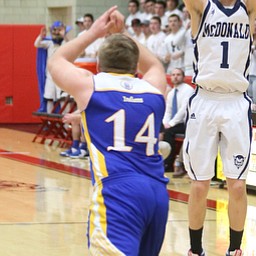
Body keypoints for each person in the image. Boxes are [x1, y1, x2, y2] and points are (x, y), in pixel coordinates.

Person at [48, 6, 169, 255]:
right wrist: (123, 32)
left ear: (99, 63)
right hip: (156, 193)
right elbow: (155, 64)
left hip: (118, 193)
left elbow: (56, 60)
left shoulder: (90, 86)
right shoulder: (155, 89)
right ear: (135, 65)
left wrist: (94, 32)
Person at [182, 0, 256, 256]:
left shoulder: (248, 9)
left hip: (236, 102)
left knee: (237, 185)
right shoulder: (200, 7)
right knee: (199, 185)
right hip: (205, 100)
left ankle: (235, 249)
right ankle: (195, 250)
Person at [162, 68, 194, 172]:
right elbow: (168, 111)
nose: (175, 76)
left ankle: (168, 163)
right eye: (173, 74)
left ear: (183, 77)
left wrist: (170, 124)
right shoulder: (171, 93)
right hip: (176, 123)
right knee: (161, 129)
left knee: (168, 131)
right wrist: (164, 123)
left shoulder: (188, 90)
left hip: (187, 123)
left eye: (178, 74)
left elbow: (183, 111)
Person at [34, 21, 70, 113]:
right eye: (55, 30)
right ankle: (49, 120)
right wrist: (41, 36)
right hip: (50, 75)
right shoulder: (49, 42)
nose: (57, 32)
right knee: (49, 97)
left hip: (62, 75)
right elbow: (37, 44)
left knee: (62, 97)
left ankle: (65, 123)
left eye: (59, 30)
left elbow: (70, 46)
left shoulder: (65, 42)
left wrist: (64, 36)